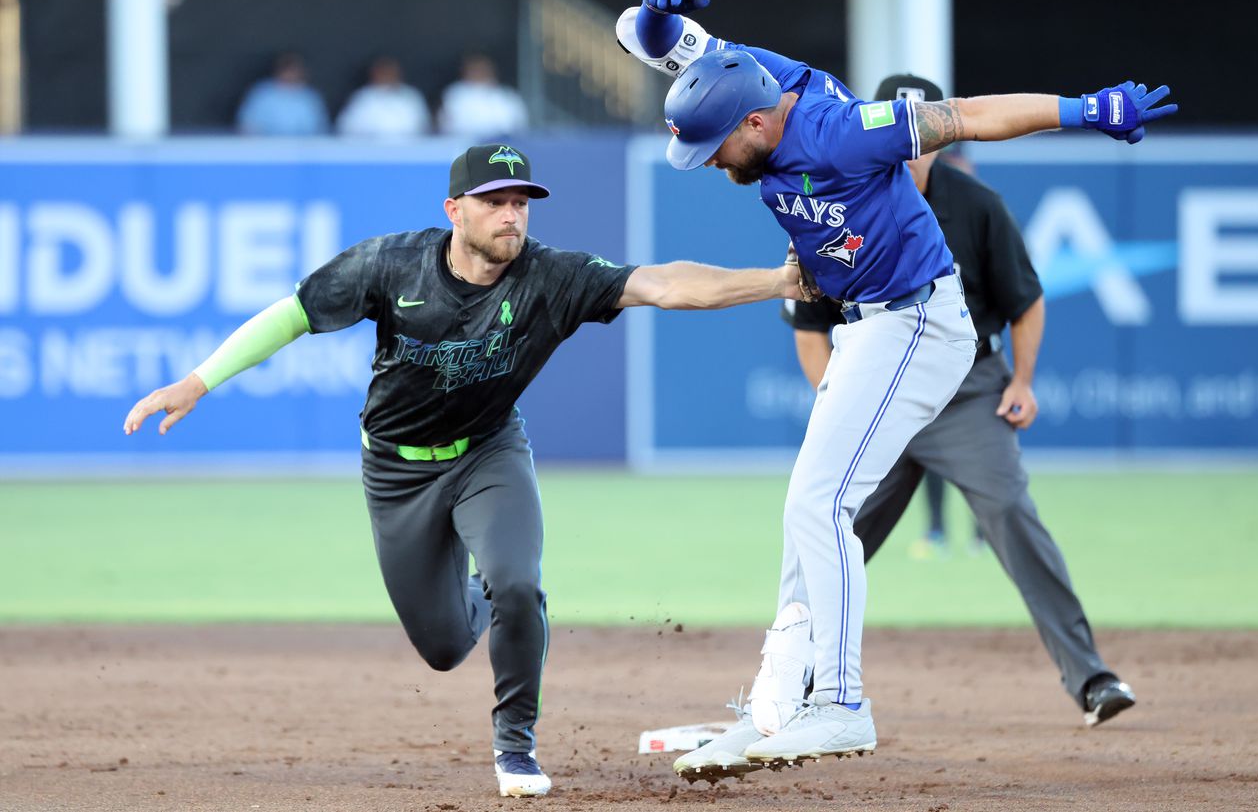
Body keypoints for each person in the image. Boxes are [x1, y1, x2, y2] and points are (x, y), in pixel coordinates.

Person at [616, 0, 1175, 781]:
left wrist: (1086, 109)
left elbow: (971, 115)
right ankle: (775, 705)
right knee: (802, 520)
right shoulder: (739, 73)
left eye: (716, 150)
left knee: (820, 503)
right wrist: (660, 12)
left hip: (917, 319)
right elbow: (646, 34)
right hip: (866, 327)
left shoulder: (842, 128)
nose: (710, 165)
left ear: (756, 121)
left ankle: (840, 703)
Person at [122, 143, 803, 798]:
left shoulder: (550, 276)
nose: (512, 214)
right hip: (396, 470)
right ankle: (491, 595)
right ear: (455, 210)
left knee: (517, 582)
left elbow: (663, 284)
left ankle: (515, 744)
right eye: (494, 201)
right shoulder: (393, 265)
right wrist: (198, 381)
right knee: (445, 646)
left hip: (488, 451)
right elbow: (292, 315)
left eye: (521, 201)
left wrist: (775, 280)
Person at [784, 71, 1137, 734]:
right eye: (902, 135)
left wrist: (1022, 380)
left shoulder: (976, 205)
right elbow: (809, 332)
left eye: (925, 138)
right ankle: (788, 681)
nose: (913, 151)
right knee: (826, 527)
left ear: (941, 138)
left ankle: (1091, 675)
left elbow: (1025, 301)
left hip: (966, 390)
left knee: (1009, 512)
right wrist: (842, 409)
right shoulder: (830, 196)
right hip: (876, 390)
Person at [436, 53, 530, 139]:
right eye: (475, 69)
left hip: (504, 144)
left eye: (483, 68)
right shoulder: (455, 94)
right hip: (465, 144)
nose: (479, 72)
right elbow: (447, 126)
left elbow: (519, 125)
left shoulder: (506, 95)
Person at [235, 52, 330, 136]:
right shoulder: (262, 94)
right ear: (278, 70)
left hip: (303, 151)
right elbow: (246, 127)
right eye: (287, 68)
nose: (290, 73)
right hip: (266, 150)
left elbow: (320, 130)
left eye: (294, 69)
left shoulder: (309, 97)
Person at [336, 56, 431, 138]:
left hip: (410, 152)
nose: (386, 75)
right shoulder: (363, 97)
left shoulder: (411, 96)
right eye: (383, 72)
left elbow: (424, 128)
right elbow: (346, 129)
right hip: (369, 152)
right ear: (374, 74)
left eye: (390, 72)